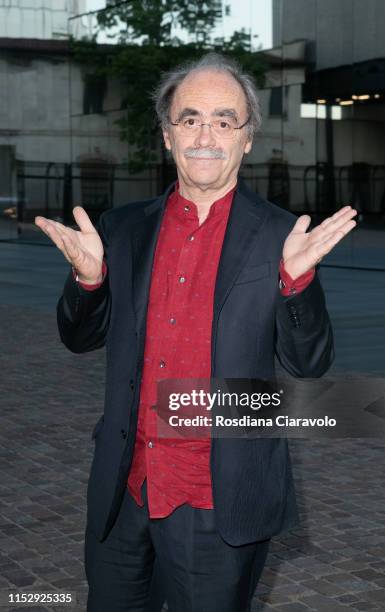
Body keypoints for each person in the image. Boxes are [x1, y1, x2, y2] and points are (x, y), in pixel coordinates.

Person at [35, 53, 356, 612]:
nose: (206, 134)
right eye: (190, 119)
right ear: (167, 135)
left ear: (247, 137)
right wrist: (88, 282)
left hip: (217, 498)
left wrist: (295, 283)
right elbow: (79, 338)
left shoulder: (282, 235)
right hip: (125, 488)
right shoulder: (123, 228)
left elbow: (310, 365)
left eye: (225, 120)